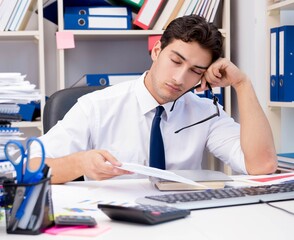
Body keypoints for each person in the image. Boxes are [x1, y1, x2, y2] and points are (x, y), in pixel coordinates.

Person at [30, 15, 277, 184]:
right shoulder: (96, 106)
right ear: (157, 50)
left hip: (184, 221)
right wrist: (80, 164)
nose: (180, 78)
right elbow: (29, 167)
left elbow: (261, 165)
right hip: (113, 224)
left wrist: (242, 84)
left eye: (195, 71)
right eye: (176, 61)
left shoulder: (206, 112)